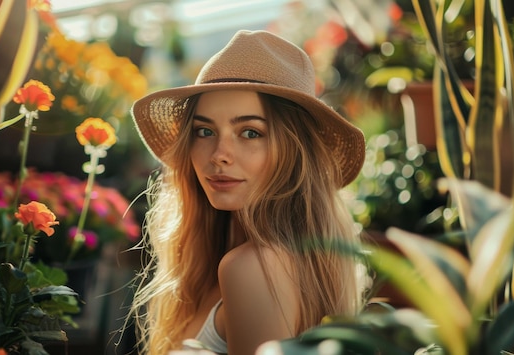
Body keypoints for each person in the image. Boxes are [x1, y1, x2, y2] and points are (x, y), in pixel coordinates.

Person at [127, 29, 368, 355]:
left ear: (294, 152)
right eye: (205, 131)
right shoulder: (292, 261)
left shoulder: (250, 268)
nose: (219, 154)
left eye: (250, 132)